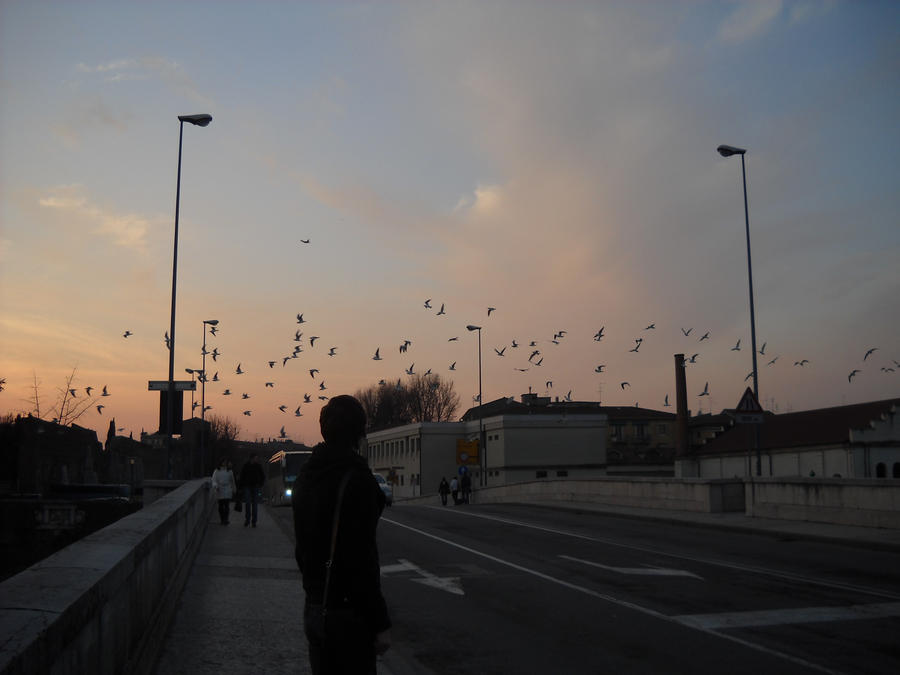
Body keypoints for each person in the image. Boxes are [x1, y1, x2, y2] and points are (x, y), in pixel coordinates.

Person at [293, 395, 391, 674]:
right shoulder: (356, 480)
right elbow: (362, 561)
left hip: (315, 607)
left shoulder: (306, 476)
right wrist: (380, 622)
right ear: (359, 433)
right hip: (349, 615)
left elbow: (301, 550)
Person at [239, 452, 266, 528]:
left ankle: (254, 521)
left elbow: (263, 476)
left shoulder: (258, 466)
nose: (256, 459)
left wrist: (260, 484)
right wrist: (241, 486)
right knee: (248, 504)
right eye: (255, 458)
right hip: (247, 486)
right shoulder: (246, 466)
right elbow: (242, 476)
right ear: (252, 458)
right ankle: (247, 520)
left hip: (255, 486)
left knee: (254, 505)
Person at [211, 458, 237, 525]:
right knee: (221, 505)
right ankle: (222, 519)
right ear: (221, 463)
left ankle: (226, 519)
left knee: (226, 505)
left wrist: (234, 489)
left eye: (226, 462)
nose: (224, 463)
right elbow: (214, 480)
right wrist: (216, 486)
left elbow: (232, 481)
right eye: (223, 462)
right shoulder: (217, 471)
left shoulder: (230, 471)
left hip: (227, 489)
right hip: (220, 489)